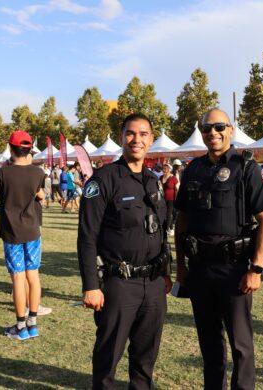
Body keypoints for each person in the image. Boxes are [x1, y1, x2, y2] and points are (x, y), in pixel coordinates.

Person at [174, 108, 263, 389]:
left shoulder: (246, 167)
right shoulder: (193, 169)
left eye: (219, 127)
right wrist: (181, 267)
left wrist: (256, 268)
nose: (213, 133)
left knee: (241, 344)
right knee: (209, 344)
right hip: (199, 269)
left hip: (235, 269)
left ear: (230, 130)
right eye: (206, 128)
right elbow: (181, 221)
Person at [78, 113, 171, 389]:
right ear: (121, 137)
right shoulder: (103, 180)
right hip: (119, 283)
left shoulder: (153, 181)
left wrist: (165, 272)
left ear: (151, 139)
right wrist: (91, 286)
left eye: (143, 134)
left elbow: (161, 231)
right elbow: (86, 238)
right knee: (109, 355)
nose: (137, 140)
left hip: (153, 283)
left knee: (146, 355)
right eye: (131, 133)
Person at [0, 131, 45, 341]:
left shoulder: (4, 173)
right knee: (33, 275)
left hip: (11, 231)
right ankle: (33, 323)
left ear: (11, 149)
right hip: (32, 230)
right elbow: (40, 194)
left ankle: (21, 326)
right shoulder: (38, 172)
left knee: (18, 278)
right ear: (30, 149)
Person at [160, 163, 178, 236]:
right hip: (162, 198)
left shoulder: (173, 178)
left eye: (165, 168)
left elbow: (177, 188)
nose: (164, 169)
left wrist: (177, 198)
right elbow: (159, 186)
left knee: (169, 213)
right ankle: (169, 227)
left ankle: (167, 229)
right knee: (164, 213)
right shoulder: (161, 177)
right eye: (163, 168)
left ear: (169, 169)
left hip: (171, 199)